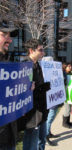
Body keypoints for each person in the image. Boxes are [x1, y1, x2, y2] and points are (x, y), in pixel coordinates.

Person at [22, 39, 50, 150]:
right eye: (40, 50)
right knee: (31, 141)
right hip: (32, 112)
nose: (43, 52)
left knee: (42, 138)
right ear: (31, 50)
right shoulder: (25, 66)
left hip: (42, 109)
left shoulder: (39, 65)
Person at [0, 20, 18, 150]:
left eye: (9, 36)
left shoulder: (7, 61)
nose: (9, 40)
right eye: (4, 34)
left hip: (9, 131)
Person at [62, 63, 72, 128]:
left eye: (70, 66)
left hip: (70, 92)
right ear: (65, 67)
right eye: (68, 66)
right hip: (66, 93)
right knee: (67, 108)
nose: (70, 67)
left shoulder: (71, 73)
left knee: (69, 107)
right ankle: (64, 123)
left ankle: (68, 121)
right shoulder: (63, 74)